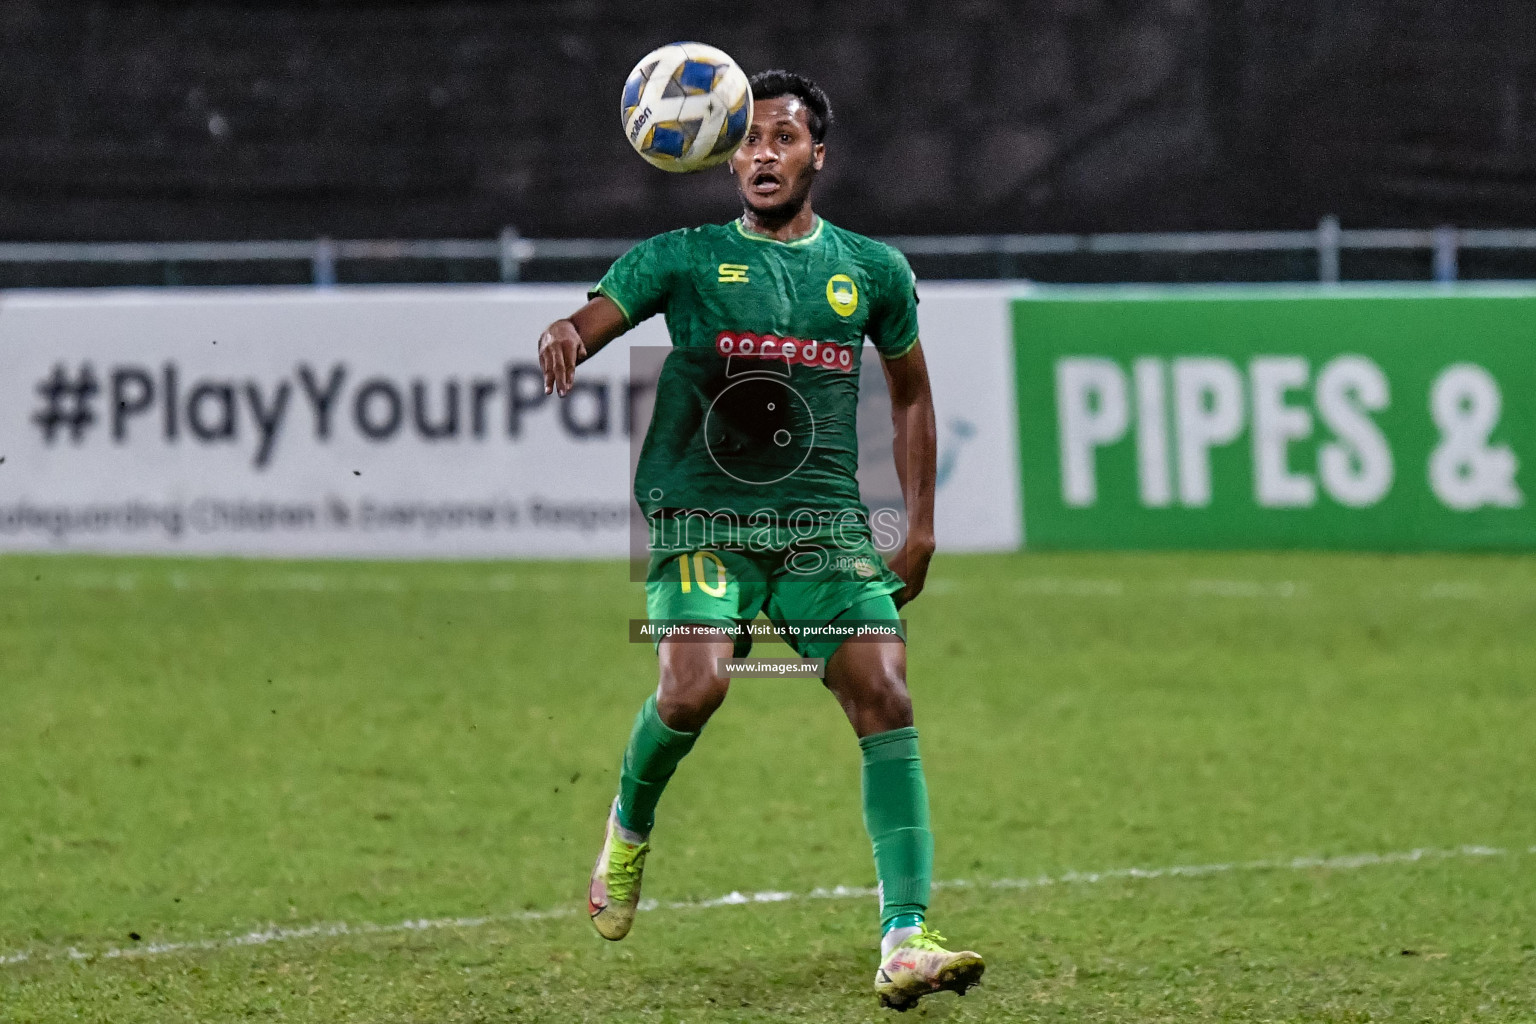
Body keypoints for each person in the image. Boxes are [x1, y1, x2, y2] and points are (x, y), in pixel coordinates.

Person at [537, 69, 984, 1012]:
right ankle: (628, 826)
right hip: (705, 519)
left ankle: (905, 936)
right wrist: (570, 334)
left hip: (822, 527)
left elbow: (910, 393)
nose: (762, 155)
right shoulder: (683, 257)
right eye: (747, 140)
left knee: (886, 693)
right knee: (692, 689)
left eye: (782, 139)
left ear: (818, 154)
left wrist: (923, 525)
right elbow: (595, 316)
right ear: (720, 152)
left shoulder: (873, 270)